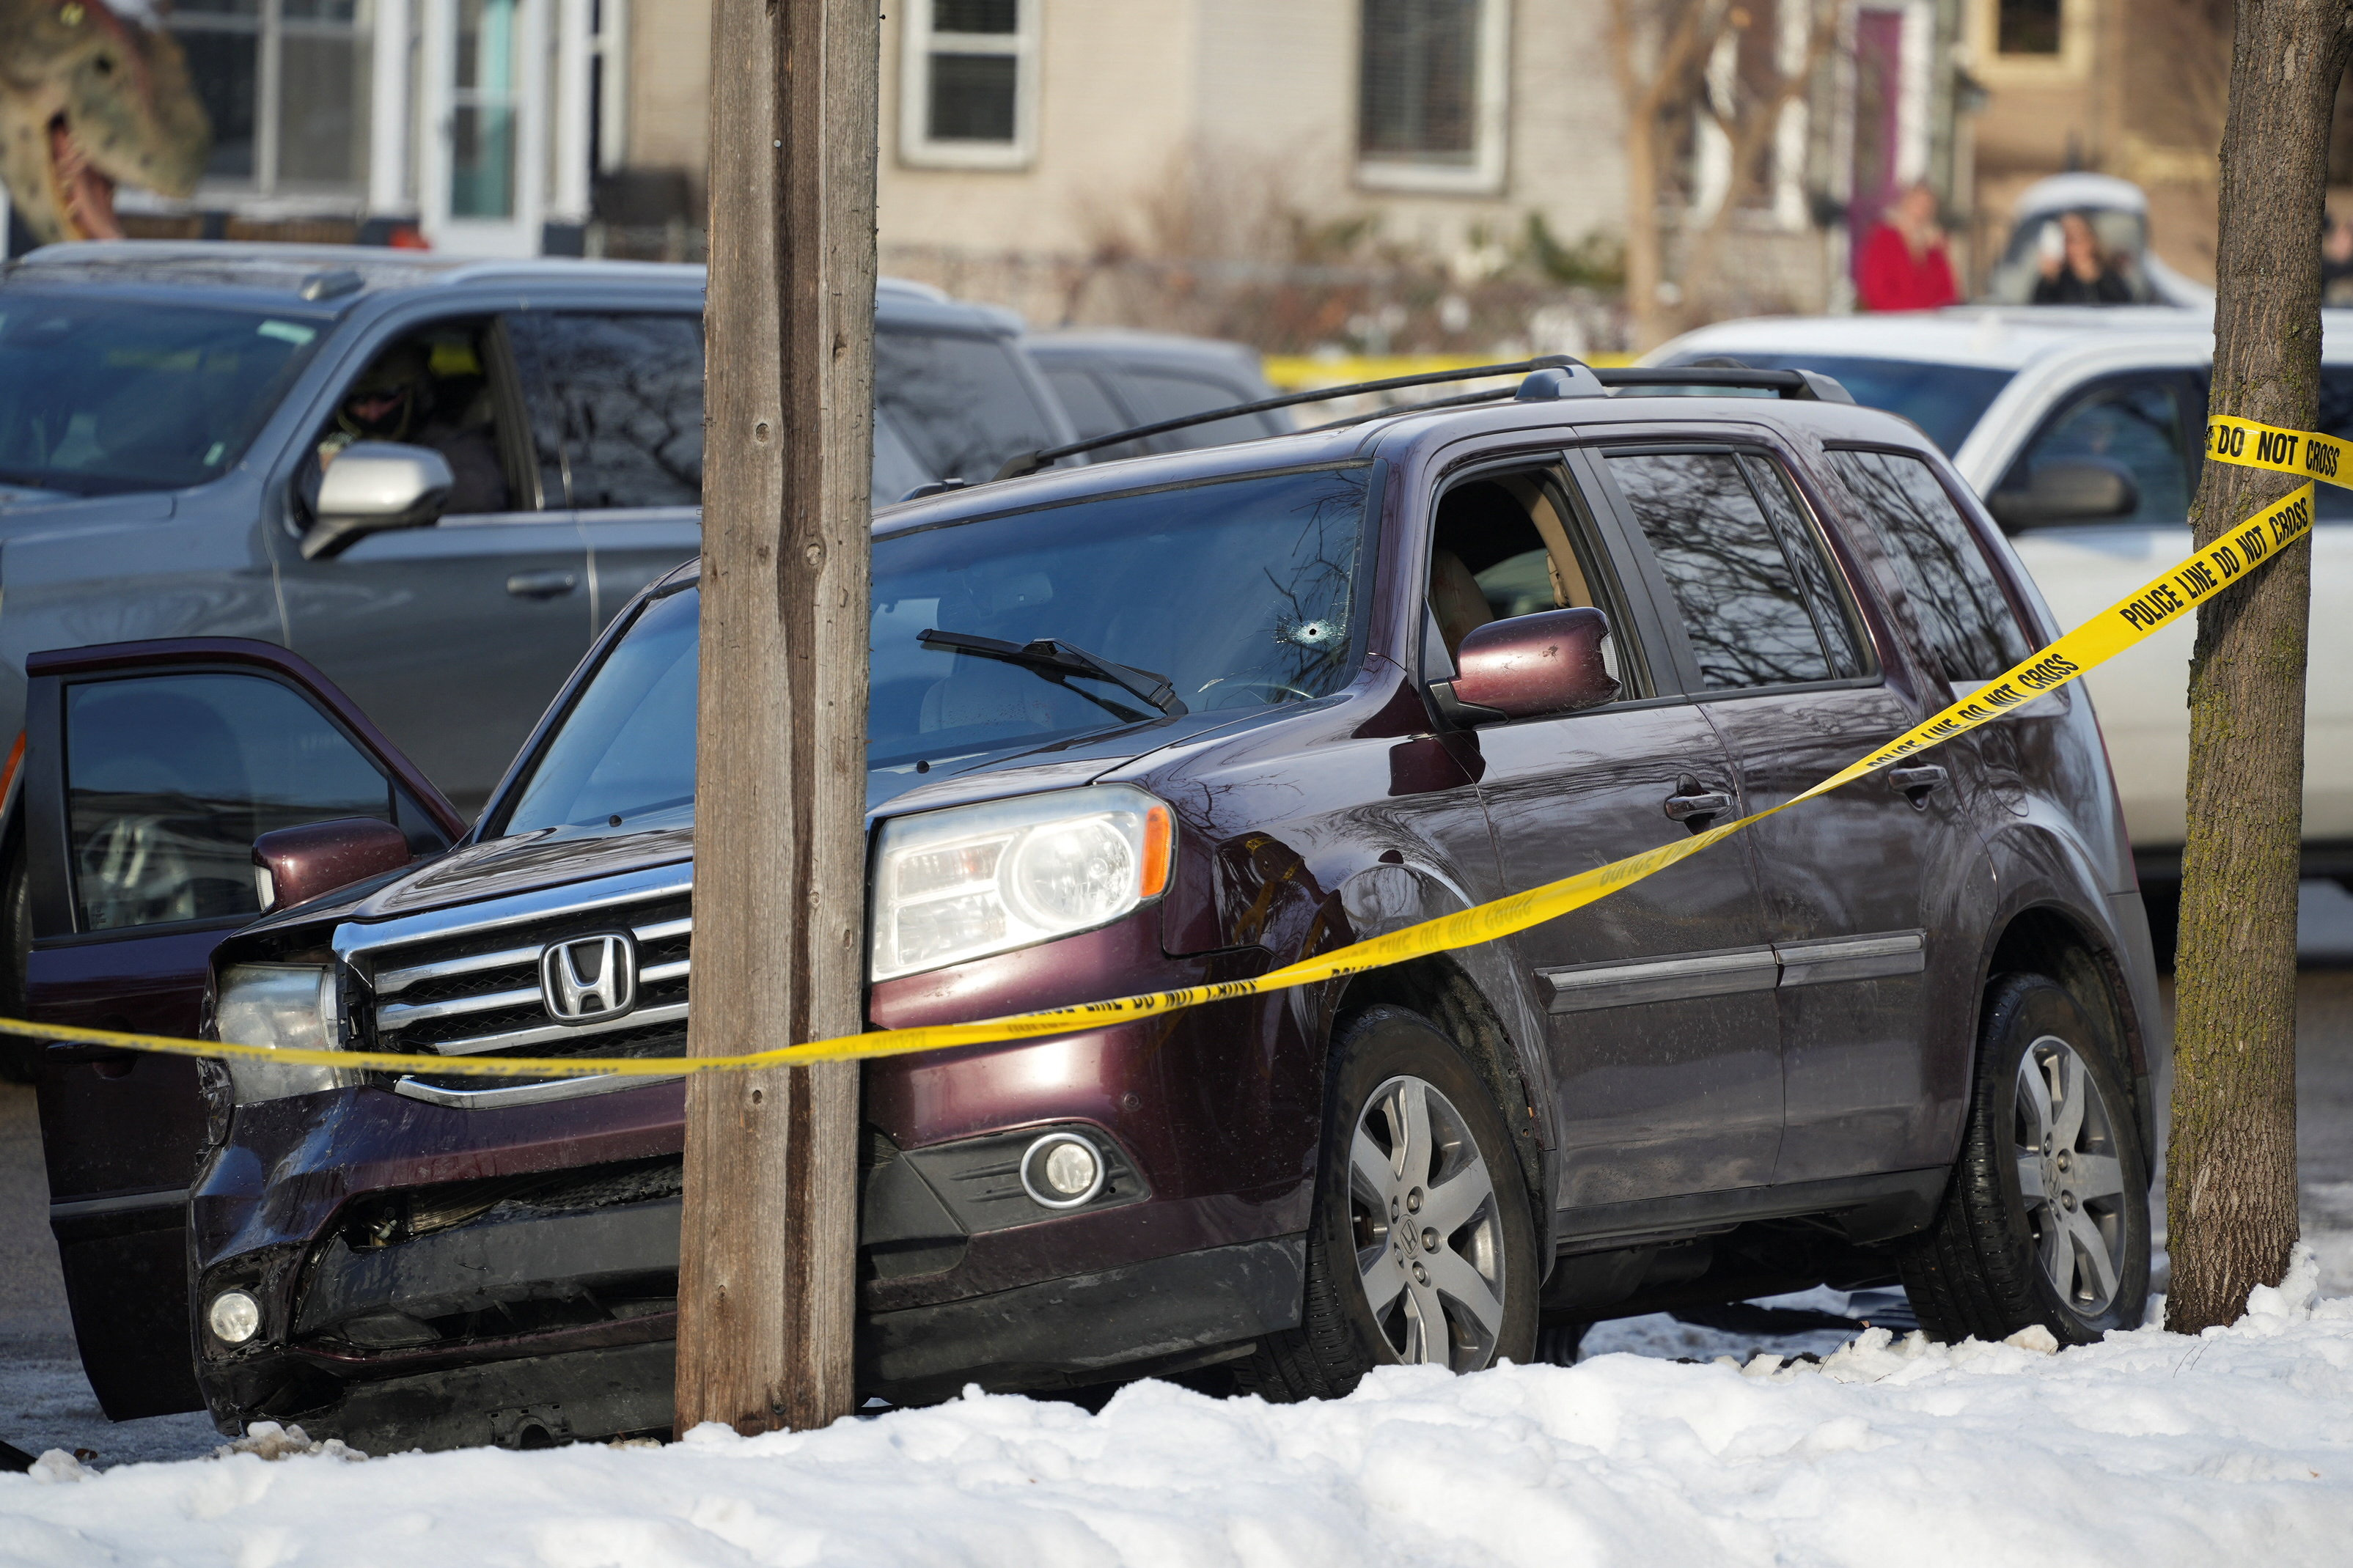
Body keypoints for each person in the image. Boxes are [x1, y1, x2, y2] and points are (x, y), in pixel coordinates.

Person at [316, 340, 510, 513]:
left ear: (418, 393)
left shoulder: (453, 449)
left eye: (387, 395)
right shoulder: (326, 438)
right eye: (359, 399)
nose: (373, 413)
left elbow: (478, 495)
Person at [1856, 183, 1961, 312]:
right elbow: (1875, 288)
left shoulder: (1934, 248)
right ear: (1904, 203)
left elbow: (1948, 291)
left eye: (1926, 206)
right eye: (1917, 204)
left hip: (1930, 320)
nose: (1920, 212)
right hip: (1894, 318)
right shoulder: (1884, 238)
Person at [2031, 210, 2134, 306]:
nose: (2069, 247)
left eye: (2074, 239)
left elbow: (2128, 306)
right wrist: (2048, 281)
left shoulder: (2111, 278)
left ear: (2091, 240)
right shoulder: (2056, 282)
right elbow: (2039, 310)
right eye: (2065, 240)